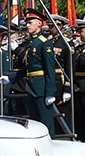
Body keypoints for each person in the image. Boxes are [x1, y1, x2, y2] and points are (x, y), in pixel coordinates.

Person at [14, 8, 58, 138]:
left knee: (46, 123)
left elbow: (50, 69)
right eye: (26, 23)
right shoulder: (32, 42)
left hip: (41, 88)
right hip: (32, 87)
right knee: (35, 124)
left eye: (30, 22)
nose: (27, 25)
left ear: (39, 23)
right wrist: (11, 78)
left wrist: (50, 92)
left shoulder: (44, 44)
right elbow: (29, 67)